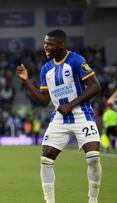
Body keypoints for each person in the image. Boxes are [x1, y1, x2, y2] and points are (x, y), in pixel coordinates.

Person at [16, 29, 102, 203]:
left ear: (61, 45)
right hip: (60, 119)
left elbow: (95, 86)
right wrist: (26, 82)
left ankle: (93, 200)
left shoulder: (76, 60)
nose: (45, 47)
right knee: (45, 159)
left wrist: (71, 104)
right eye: (45, 42)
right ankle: (50, 201)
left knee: (93, 157)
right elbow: (43, 101)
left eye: (49, 43)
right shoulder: (46, 69)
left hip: (81, 115)